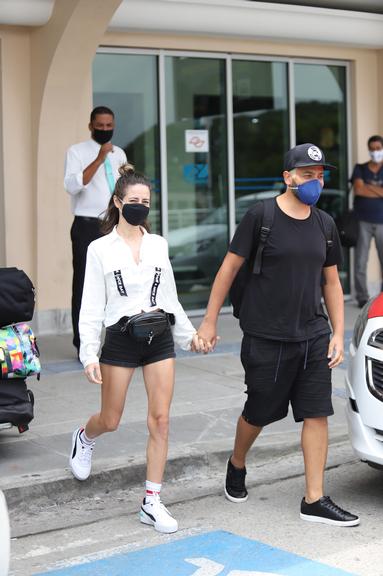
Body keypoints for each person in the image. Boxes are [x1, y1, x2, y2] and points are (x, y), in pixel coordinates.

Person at [197, 143, 360, 527]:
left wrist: (338, 333)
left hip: (312, 334)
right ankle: (237, 463)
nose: (315, 182)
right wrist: (209, 320)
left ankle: (314, 498)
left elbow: (332, 283)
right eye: (307, 174)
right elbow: (229, 267)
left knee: (316, 412)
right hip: (266, 335)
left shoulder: (324, 223)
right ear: (287, 178)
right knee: (259, 411)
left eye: (320, 175)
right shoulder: (261, 216)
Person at [69, 164, 200, 534]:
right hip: (121, 338)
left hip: (157, 335)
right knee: (110, 418)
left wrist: (188, 336)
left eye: (146, 201)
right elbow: (91, 304)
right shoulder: (99, 249)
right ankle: (85, 436)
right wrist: (89, 353)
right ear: (117, 202)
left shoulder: (158, 244)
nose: (140, 206)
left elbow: (170, 297)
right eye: (133, 201)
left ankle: (151, 501)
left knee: (160, 420)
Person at [64, 106, 127, 355]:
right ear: (91, 125)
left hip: (115, 223)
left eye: (108, 126)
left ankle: (121, 338)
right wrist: (100, 158)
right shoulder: (77, 152)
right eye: (99, 125)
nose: (104, 130)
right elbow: (72, 186)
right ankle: (84, 345)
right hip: (87, 225)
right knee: (84, 284)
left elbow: (122, 187)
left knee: (120, 280)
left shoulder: (119, 153)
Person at [351, 134, 383, 308]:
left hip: (382, 221)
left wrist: (368, 186)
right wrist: (378, 190)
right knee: (361, 260)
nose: (375, 152)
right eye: (372, 149)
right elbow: (358, 189)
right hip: (362, 220)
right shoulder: (360, 168)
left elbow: (364, 188)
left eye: (378, 148)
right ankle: (362, 297)